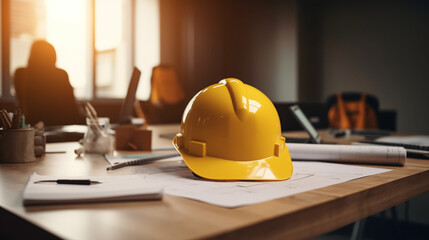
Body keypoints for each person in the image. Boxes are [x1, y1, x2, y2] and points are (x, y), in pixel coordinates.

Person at [14, 40, 84, 126]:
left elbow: (21, 103)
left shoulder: (21, 74)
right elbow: (71, 107)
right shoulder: (61, 75)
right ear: (53, 56)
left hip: (31, 127)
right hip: (61, 125)